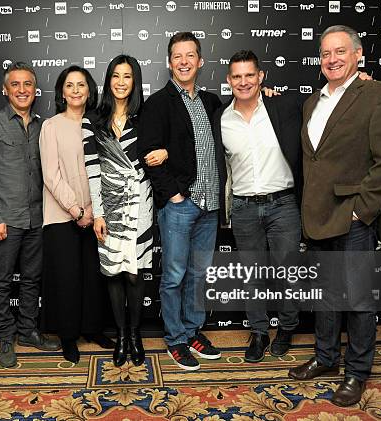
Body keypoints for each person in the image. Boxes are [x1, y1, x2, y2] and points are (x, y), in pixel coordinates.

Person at [288, 25, 381, 407]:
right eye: (325, 54)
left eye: (340, 52)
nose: (332, 59)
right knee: (325, 296)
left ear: (358, 55)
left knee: (357, 300)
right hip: (318, 215)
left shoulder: (379, 95)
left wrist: (361, 210)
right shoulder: (312, 102)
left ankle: (356, 372)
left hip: (354, 217)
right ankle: (325, 357)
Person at [138, 32, 225, 371]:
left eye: (191, 55)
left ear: (200, 61)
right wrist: (173, 194)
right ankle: (175, 338)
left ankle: (192, 332)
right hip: (180, 204)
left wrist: (268, 96)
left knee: (199, 274)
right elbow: (148, 155)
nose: (185, 61)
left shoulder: (212, 102)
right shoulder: (158, 103)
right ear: (169, 62)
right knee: (174, 275)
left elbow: (244, 116)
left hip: (210, 205)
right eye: (178, 56)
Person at [212, 50, 303, 363]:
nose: (243, 82)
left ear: (261, 76)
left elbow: (327, 104)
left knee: (289, 272)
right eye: (236, 76)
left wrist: (360, 79)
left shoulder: (282, 105)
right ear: (228, 81)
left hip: (284, 204)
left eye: (249, 75)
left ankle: (288, 328)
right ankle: (260, 332)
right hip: (244, 208)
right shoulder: (221, 119)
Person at [82, 55, 167, 367]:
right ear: (108, 81)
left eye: (127, 76)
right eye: (115, 75)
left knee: (134, 273)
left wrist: (167, 150)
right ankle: (121, 336)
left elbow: (166, 143)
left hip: (140, 203)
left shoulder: (145, 117)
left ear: (135, 81)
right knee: (114, 274)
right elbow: (92, 170)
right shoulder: (92, 120)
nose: (120, 82)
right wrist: (100, 213)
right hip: (110, 206)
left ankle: (135, 334)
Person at [0, 62, 61, 368]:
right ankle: (5, 338)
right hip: (5, 219)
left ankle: (27, 331)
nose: (22, 90)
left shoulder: (44, 126)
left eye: (27, 84)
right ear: (5, 89)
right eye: (15, 84)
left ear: (34, 89)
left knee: (31, 280)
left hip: (37, 218)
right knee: (0, 282)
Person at [40, 66, 115, 364]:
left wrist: (94, 211)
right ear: (61, 91)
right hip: (63, 215)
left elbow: (108, 170)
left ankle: (92, 329)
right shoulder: (51, 126)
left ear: (89, 90)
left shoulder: (99, 123)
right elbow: (50, 174)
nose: (75, 90)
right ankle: (69, 337)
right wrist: (76, 209)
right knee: (67, 278)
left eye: (81, 85)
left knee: (94, 277)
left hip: (97, 214)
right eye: (69, 85)